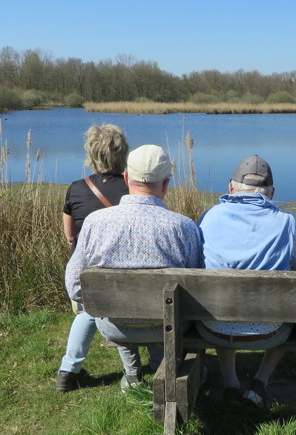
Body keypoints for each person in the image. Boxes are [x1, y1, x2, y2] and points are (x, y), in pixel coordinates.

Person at [65, 144, 203, 391]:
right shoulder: (184, 227)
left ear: (127, 177)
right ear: (166, 184)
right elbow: (196, 286)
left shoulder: (95, 222)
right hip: (166, 324)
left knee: (122, 305)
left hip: (113, 325)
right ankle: (161, 364)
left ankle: (132, 375)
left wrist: (95, 304)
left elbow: (74, 284)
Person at [196, 155, 296, 406]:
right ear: (271, 192)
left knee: (222, 301)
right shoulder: (287, 222)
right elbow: (294, 270)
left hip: (214, 327)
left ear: (230, 188)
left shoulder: (209, 217)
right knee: (292, 311)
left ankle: (231, 383)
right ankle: (259, 382)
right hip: (269, 331)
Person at [56, 124, 130, 392]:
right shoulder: (132, 189)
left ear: (91, 154)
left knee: (87, 313)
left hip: (89, 275)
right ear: (123, 153)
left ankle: (68, 370)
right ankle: (149, 365)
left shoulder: (76, 189)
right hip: (126, 275)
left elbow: (70, 237)